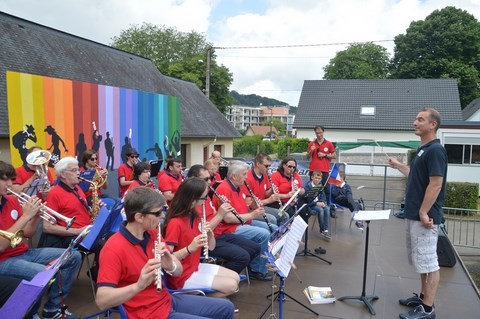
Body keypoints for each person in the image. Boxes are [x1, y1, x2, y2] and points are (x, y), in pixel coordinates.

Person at [95, 187, 235, 319]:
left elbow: (178, 271)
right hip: (147, 313)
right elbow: (102, 300)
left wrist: (170, 263)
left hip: (165, 300)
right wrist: (138, 286)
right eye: (157, 213)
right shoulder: (113, 248)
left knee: (226, 307)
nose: (162, 215)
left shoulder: (153, 233)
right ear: (139, 217)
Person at [0, 160, 82, 319]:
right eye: (5, 179)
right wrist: (26, 216)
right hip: (3, 260)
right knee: (42, 274)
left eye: (11, 179)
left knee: (73, 256)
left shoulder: (11, 200)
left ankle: (52, 309)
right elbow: (1, 245)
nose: (11, 184)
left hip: (23, 252)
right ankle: (30, 313)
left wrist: (36, 216)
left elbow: (28, 234)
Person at [389, 108, 447, 319]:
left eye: (420, 119)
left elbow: (436, 183)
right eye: (415, 119)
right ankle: (423, 297)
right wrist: (399, 166)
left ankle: (428, 309)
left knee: (430, 263)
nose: (415, 122)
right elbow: (416, 174)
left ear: (433, 125)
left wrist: (423, 211)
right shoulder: (423, 149)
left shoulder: (435, 151)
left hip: (425, 217)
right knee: (421, 261)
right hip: (414, 215)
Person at [163, 177, 240, 297]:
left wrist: (209, 234)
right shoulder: (175, 223)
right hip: (182, 275)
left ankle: (210, 302)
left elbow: (212, 247)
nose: (206, 200)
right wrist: (189, 248)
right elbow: (167, 259)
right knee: (231, 285)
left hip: (194, 266)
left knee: (236, 277)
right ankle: (202, 302)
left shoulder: (195, 215)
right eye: (204, 197)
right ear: (193, 200)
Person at [187, 165, 260, 274]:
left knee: (255, 248)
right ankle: (220, 277)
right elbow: (203, 232)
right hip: (208, 242)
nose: (210, 183)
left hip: (219, 234)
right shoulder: (193, 202)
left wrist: (221, 207)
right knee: (243, 256)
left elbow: (213, 215)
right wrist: (221, 214)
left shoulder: (205, 196)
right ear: (194, 180)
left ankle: (229, 273)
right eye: (206, 180)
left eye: (210, 178)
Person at [212, 161, 273, 281]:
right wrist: (252, 215)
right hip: (230, 228)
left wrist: (253, 206)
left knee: (273, 227)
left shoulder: (238, 187)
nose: (246, 177)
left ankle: (263, 261)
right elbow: (228, 218)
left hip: (242, 222)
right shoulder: (224, 189)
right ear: (234, 176)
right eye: (244, 174)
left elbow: (242, 208)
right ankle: (257, 269)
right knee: (264, 233)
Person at [39, 157, 92, 248]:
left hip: (86, 231)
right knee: (104, 245)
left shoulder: (77, 188)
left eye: (78, 170)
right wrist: (78, 231)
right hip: (72, 237)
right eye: (74, 170)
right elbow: (46, 227)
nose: (78, 173)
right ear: (63, 174)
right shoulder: (54, 193)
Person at [245, 152, 285, 225]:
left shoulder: (265, 175)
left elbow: (266, 194)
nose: (268, 168)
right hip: (251, 210)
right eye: (266, 166)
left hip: (261, 206)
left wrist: (272, 191)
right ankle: (274, 235)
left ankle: (282, 236)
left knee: (284, 215)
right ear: (258, 164)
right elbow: (249, 204)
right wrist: (269, 200)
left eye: (269, 166)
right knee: (272, 219)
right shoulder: (247, 178)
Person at [306, 125, 336, 204]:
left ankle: (328, 207)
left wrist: (325, 155)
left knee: (326, 189)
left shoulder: (329, 144)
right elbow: (307, 157)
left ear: (323, 131)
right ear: (315, 133)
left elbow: (334, 155)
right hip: (313, 170)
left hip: (324, 170)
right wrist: (311, 151)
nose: (319, 135)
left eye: (320, 133)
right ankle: (313, 207)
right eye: (317, 133)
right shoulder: (312, 144)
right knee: (313, 190)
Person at [303, 171, 331, 240]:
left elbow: (323, 196)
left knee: (327, 208)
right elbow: (306, 200)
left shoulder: (320, 186)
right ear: (312, 177)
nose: (317, 180)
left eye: (319, 178)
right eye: (316, 178)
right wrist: (316, 203)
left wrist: (323, 202)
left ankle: (326, 230)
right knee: (320, 210)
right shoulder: (308, 186)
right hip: (311, 205)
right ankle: (322, 229)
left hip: (319, 203)